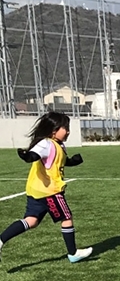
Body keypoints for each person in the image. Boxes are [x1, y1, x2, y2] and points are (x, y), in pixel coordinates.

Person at [0, 112, 92, 264]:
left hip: (37, 190)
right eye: (65, 128)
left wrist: (73, 161)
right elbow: (35, 156)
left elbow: (54, 163)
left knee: (32, 221)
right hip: (50, 190)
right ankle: (73, 253)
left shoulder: (56, 145)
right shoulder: (46, 143)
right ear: (54, 129)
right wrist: (27, 156)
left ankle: (1, 240)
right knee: (66, 217)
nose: (68, 131)